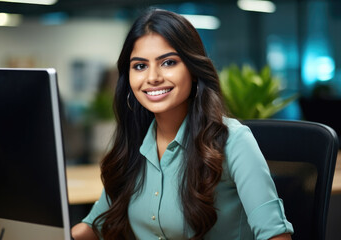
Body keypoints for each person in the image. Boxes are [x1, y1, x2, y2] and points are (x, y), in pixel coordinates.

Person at [71, 9, 294, 240]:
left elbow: (276, 236)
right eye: (140, 66)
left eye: (168, 62)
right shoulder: (133, 145)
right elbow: (94, 227)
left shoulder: (233, 141)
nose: (152, 77)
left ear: (194, 70)